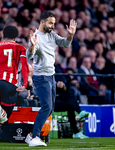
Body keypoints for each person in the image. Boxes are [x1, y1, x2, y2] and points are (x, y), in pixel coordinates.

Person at [26, 11, 77, 147]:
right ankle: (35, 137)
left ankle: (30, 135)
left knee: (50, 108)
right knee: (46, 106)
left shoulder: (52, 35)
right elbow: (29, 56)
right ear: (42, 22)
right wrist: (31, 45)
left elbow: (65, 44)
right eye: (50, 23)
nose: (52, 26)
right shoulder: (36, 36)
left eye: (54, 23)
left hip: (51, 76)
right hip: (40, 76)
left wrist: (70, 35)